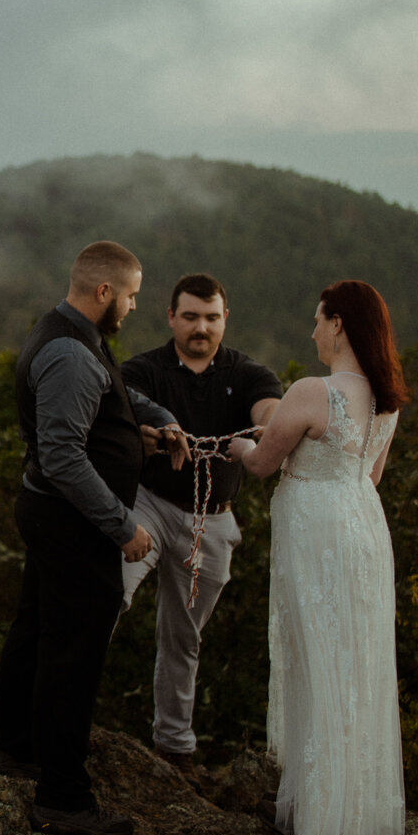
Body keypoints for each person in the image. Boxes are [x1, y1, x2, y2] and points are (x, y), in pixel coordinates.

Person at [0, 241, 187, 835]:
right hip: (72, 523)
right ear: (103, 292)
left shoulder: (73, 335)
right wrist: (123, 527)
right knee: (72, 657)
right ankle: (62, 798)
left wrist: (159, 426)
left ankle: (16, 747)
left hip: (53, 518)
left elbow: (117, 396)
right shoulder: (72, 355)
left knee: (35, 629)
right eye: (129, 296)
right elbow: (63, 457)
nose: (131, 307)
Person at [230, 280, 408, 835]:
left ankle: (318, 813)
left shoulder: (313, 391)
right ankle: (348, 811)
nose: (311, 331)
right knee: (355, 661)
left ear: (338, 324)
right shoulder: (388, 399)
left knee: (318, 654)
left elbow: (260, 465)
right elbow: (370, 475)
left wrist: (235, 444)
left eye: (317, 320)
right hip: (363, 528)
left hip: (318, 534)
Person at [119, 274, 283, 778]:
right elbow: (118, 407)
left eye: (211, 318)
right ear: (171, 317)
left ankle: (175, 747)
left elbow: (269, 409)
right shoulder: (143, 369)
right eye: (190, 317)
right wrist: (142, 432)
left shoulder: (248, 373)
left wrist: (269, 428)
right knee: (106, 594)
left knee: (183, 636)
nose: (200, 328)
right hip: (148, 503)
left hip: (212, 520)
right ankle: (60, 721)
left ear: (224, 319)